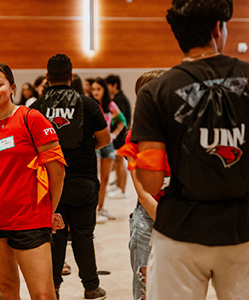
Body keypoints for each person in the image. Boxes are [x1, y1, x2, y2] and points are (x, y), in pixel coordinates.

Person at [131, 1, 249, 299]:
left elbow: (151, 181)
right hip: (244, 229)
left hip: (180, 233)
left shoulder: (154, 92)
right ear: (217, 30)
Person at [0, 63, 66, 300]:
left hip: (30, 220)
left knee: (43, 294)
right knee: (7, 290)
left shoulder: (31, 118)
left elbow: (57, 170)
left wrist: (48, 210)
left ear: (11, 88)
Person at [31, 54, 111, 300]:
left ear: (47, 77)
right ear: (71, 76)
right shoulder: (88, 104)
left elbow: (30, 145)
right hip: (84, 181)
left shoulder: (36, 107)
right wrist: (85, 148)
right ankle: (91, 287)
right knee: (84, 234)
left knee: (55, 235)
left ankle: (53, 287)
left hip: (50, 184)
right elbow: (105, 140)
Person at [117, 69, 166, 300]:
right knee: (146, 290)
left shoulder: (181, 131)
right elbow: (143, 193)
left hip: (179, 218)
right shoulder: (134, 136)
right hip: (150, 219)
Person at [91, 78, 127, 222]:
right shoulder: (90, 104)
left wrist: (114, 134)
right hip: (94, 144)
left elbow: (122, 121)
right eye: (93, 89)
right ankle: (92, 210)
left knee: (105, 179)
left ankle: (101, 208)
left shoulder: (110, 105)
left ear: (104, 90)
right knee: (96, 178)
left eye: (98, 89)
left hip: (108, 144)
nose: (95, 92)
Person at [105, 74, 131, 199]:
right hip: (119, 136)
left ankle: (122, 190)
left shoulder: (119, 99)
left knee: (120, 161)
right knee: (118, 161)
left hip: (120, 135)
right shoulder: (118, 97)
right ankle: (119, 186)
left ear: (114, 85)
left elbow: (123, 119)